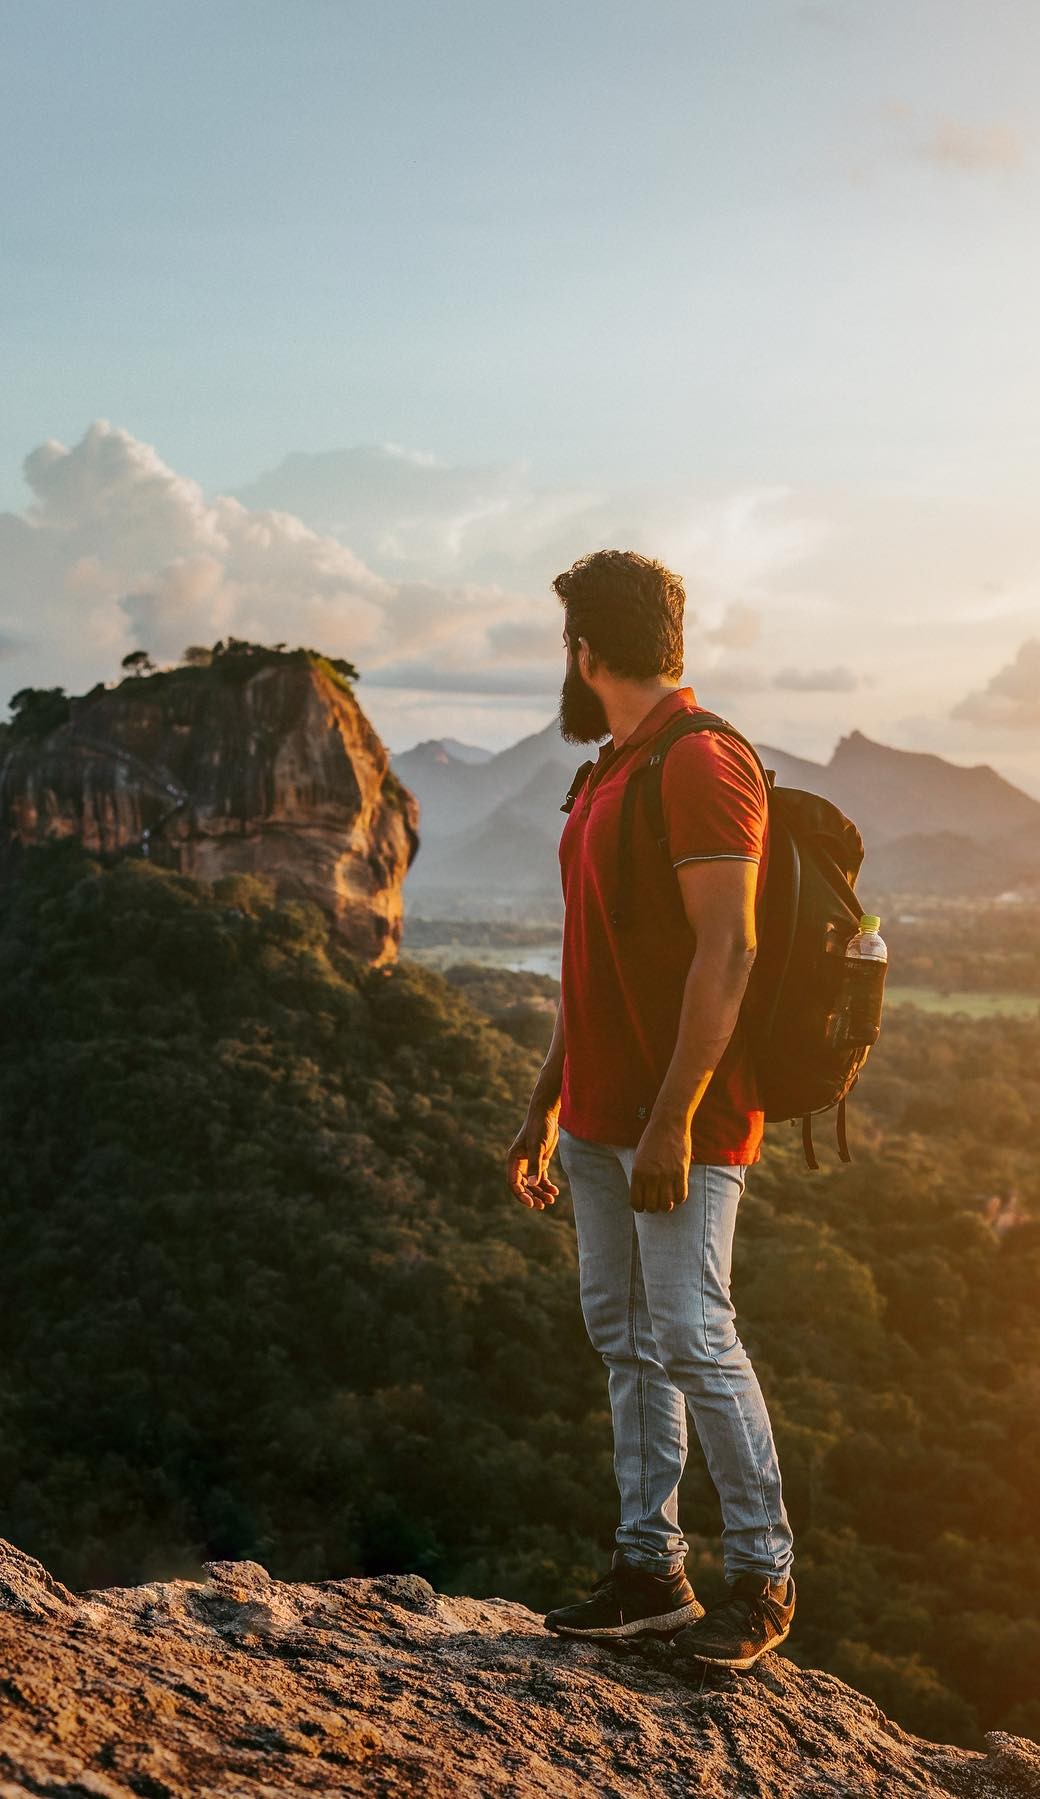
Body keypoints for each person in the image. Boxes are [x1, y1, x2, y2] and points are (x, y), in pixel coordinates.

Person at [506, 549, 796, 1671]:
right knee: (627, 1338)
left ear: (585, 651)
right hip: (595, 1119)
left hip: (682, 1118)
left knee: (690, 1331)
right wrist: (545, 1107)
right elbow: (594, 968)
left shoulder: (699, 761)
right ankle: (649, 1570)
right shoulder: (607, 773)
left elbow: (731, 947)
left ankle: (764, 1575)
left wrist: (675, 1117)